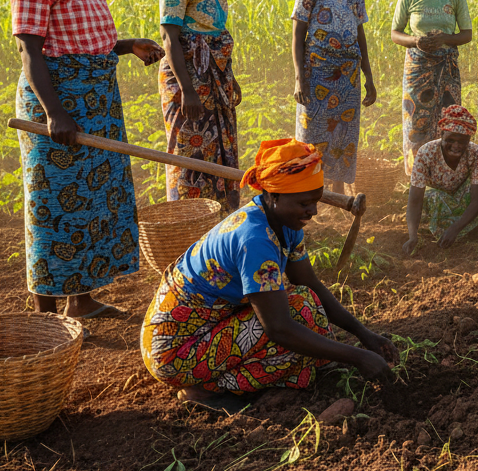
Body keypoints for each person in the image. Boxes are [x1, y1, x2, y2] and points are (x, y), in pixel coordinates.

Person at [140, 139, 399, 413]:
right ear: (274, 196)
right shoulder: (254, 240)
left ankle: (224, 379)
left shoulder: (284, 223)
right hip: (177, 349)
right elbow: (277, 328)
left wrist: (363, 334)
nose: (313, 211)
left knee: (305, 305)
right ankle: (204, 389)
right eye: (305, 203)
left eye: (315, 200)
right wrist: (358, 357)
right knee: (293, 348)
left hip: (213, 327)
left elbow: (308, 283)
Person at [10, 0, 164, 319]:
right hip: (57, 100)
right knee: (54, 201)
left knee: (96, 198)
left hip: (99, 100)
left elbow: (90, 41)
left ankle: (81, 300)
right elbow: (30, 50)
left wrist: (128, 44)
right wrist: (54, 113)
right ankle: (45, 309)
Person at [159, 0, 241, 207]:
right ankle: (190, 215)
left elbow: (215, 33)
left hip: (217, 75)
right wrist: (188, 91)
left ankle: (220, 212)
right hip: (188, 76)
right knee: (189, 146)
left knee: (222, 141)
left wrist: (230, 79)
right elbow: (170, 39)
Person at [292, 0, 376, 194]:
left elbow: (360, 34)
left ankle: (338, 190)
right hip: (316, 72)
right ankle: (311, 189)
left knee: (344, 132)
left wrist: (369, 77)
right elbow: (298, 35)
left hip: (348, 73)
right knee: (313, 133)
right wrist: (299, 79)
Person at [391, 0, 472, 171]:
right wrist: (416, 41)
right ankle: (418, 173)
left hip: (447, 68)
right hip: (417, 67)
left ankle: (446, 171)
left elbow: (467, 34)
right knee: (416, 119)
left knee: (449, 117)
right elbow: (395, 33)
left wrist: (445, 38)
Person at [402, 105, 478, 255]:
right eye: (451, 140)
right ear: (442, 135)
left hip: (463, 196)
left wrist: (455, 228)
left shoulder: (476, 153)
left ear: (469, 140)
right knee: (434, 197)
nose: (456, 146)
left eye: (462, 141)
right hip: (439, 200)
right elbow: (415, 200)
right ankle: (461, 227)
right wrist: (412, 237)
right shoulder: (426, 153)